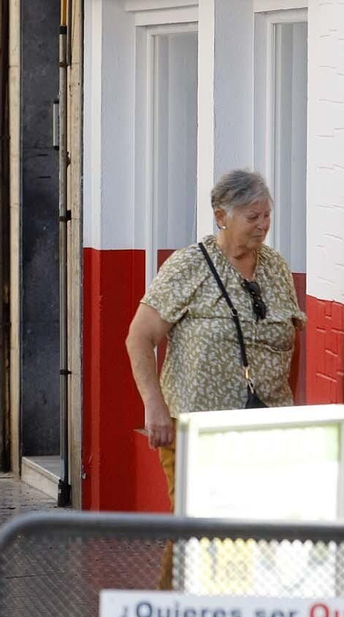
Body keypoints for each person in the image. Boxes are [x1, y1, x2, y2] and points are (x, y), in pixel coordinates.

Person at [125, 169, 304, 504]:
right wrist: (154, 405)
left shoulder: (275, 266)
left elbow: (292, 334)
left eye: (267, 215)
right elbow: (139, 336)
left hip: (264, 427)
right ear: (222, 216)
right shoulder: (190, 265)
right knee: (198, 529)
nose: (263, 225)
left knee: (253, 528)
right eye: (253, 217)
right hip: (199, 427)